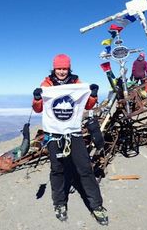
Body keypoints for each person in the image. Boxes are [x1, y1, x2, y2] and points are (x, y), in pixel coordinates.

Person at [32, 54, 109, 225]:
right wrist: (37, 98)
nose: (61, 71)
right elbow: (38, 109)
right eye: (58, 68)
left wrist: (93, 95)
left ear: (69, 69)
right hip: (53, 134)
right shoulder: (46, 84)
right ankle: (59, 203)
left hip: (73, 132)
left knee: (85, 169)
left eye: (64, 68)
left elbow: (87, 105)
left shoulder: (77, 83)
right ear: (54, 69)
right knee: (57, 169)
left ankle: (96, 206)